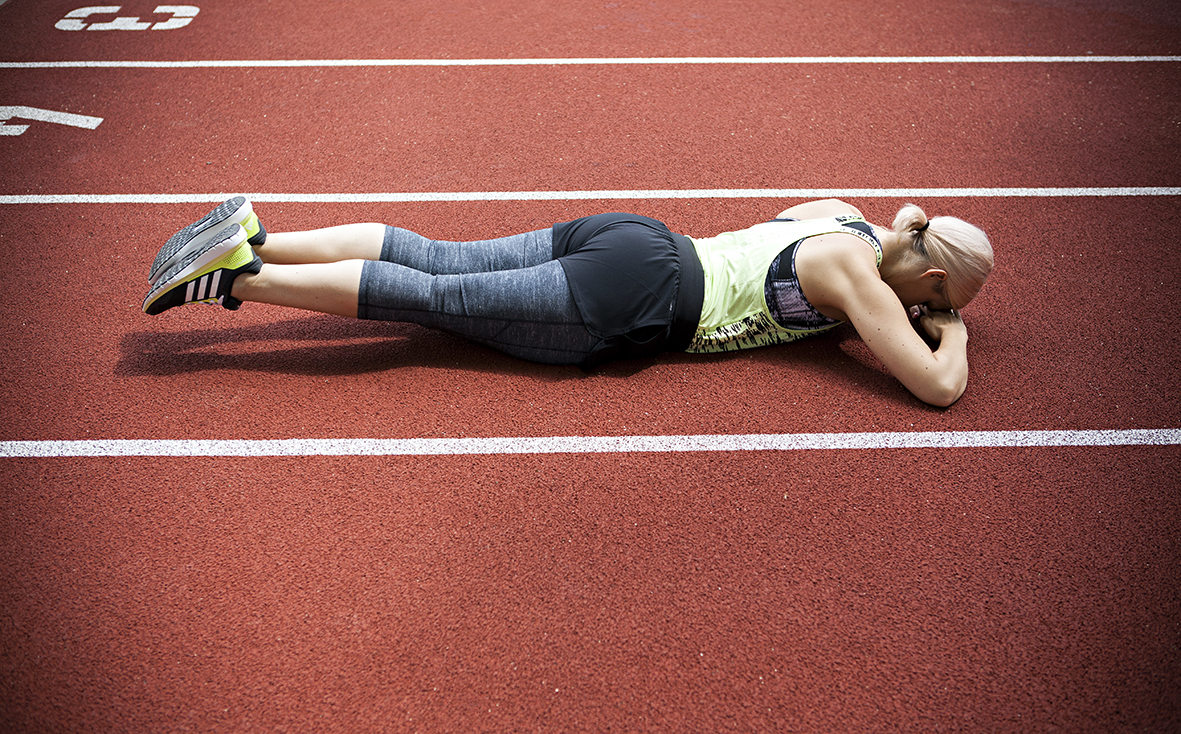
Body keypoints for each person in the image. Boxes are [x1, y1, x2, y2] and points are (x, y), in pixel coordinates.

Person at [142, 196, 993, 407]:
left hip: (638, 240)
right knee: (434, 298)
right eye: (941, 299)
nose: (932, 311)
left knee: (437, 255)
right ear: (929, 283)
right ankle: (237, 277)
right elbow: (936, 385)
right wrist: (947, 334)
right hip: (639, 298)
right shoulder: (856, 275)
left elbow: (773, 258)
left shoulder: (841, 213)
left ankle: (261, 235)